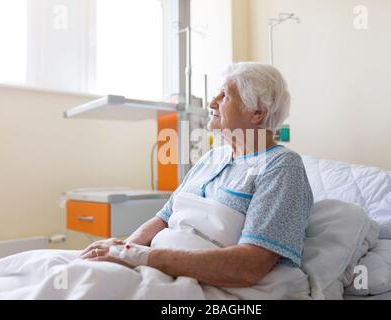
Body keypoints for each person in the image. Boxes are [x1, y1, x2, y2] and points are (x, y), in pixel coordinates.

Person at [80, 62, 314, 288]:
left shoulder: (281, 167)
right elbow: (164, 217)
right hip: (157, 267)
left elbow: (250, 266)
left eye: (224, 96)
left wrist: (140, 257)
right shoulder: (210, 159)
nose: (212, 103)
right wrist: (124, 249)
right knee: (59, 267)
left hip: (208, 282)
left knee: (87, 286)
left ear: (256, 113)